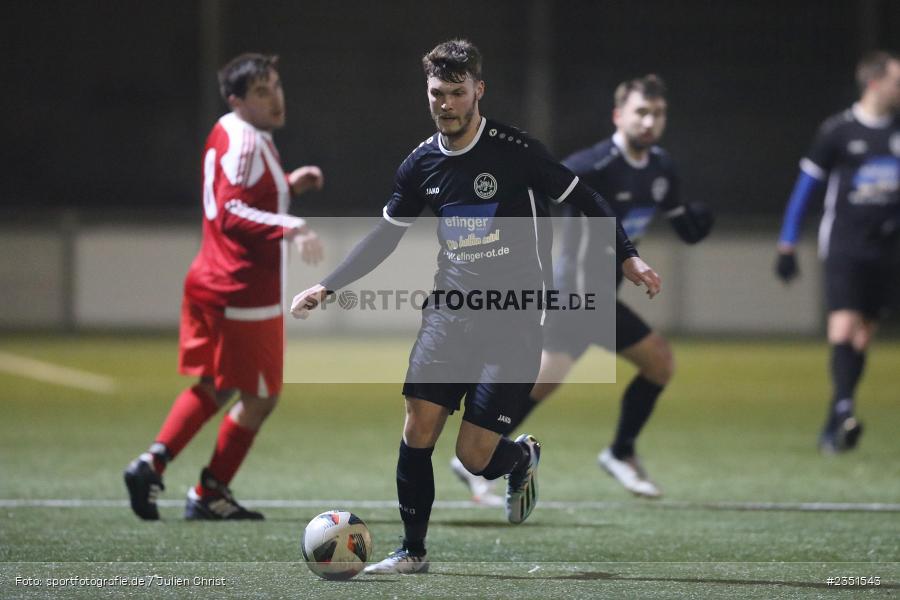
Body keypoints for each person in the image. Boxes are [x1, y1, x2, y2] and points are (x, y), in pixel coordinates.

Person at [290, 39, 660, 574]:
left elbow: (586, 197)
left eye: (457, 92)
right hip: (448, 314)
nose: (446, 104)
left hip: (513, 320)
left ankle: (521, 457)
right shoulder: (420, 164)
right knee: (418, 426)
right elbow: (385, 237)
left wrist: (627, 256)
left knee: (474, 457)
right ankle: (412, 551)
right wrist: (328, 285)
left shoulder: (517, 151)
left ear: (478, 91)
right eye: (437, 92)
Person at [451, 75, 712, 501]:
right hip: (574, 294)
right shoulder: (594, 163)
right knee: (658, 362)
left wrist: (695, 223)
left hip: (596, 297)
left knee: (543, 382)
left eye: (657, 114)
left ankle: (481, 453)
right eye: (641, 112)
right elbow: (534, 186)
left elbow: (682, 221)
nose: (649, 121)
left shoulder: (662, 169)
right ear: (618, 116)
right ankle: (617, 453)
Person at [124, 53, 324, 521]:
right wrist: (290, 225)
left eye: (275, 85)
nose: (275, 97)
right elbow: (231, 212)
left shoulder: (229, 130)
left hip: (212, 279)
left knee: (217, 383)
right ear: (237, 99)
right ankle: (209, 491)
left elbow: (236, 196)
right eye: (261, 91)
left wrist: (290, 185)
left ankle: (153, 464)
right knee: (261, 395)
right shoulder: (250, 144)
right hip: (243, 291)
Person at [775, 51, 900, 454]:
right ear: (875, 83)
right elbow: (805, 188)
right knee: (843, 329)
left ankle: (836, 417)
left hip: (887, 250)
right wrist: (787, 242)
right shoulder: (839, 131)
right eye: (897, 80)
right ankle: (845, 408)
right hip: (845, 245)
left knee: (863, 337)